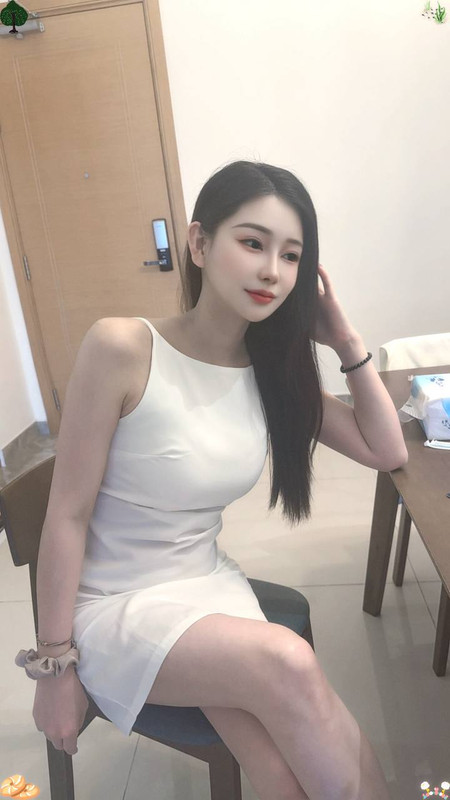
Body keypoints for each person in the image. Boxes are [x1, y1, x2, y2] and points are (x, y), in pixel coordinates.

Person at [17, 160, 407, 799]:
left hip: (206, 585)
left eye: (291, 256)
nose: (272, 271)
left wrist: (343, 338)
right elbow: (67, 514)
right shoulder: (123, 348)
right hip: (113, 605)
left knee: (281, 774)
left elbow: (385, 451)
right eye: (253, 243)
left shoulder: (272, 370)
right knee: (288, 661)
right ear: (199, 244)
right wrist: (54, 667)